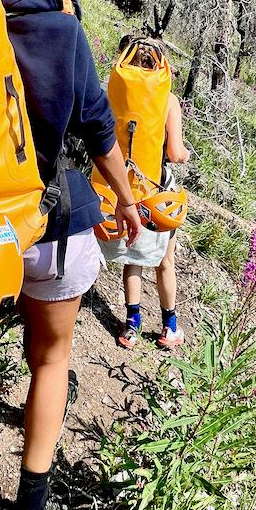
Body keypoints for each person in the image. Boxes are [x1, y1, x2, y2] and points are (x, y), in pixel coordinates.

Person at [0, 0, 143, 510]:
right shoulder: (61, 31)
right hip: (51, 224)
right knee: (52, 362)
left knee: (35, 343)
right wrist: (129, 199)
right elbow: (98, 128)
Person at [99, 36, 191, 350]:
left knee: (133, 260)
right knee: (166, 261)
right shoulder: (168, 101)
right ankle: (170, 326)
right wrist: (183, 154)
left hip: (120, 189)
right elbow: (176, 153)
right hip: (157, 191)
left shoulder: (115, 91)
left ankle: (132, 325)